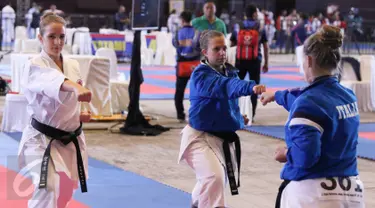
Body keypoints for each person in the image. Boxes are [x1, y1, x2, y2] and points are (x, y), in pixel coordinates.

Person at [260, 25, 365, 208]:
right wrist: (276, 95)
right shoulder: (348, 96)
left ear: (308, 61)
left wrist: (286, 154)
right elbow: (308, 101)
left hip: (314, 193)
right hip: (352, 193)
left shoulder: (308, 103)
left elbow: (306, 156)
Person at [178, 30, 266, 208]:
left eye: (224, 48)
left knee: (211, 184)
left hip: (221, 137)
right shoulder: (200, 76)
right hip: (199, 138)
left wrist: (237, 117)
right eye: (216, 49)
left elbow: (226, 103)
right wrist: (251, 86)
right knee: (214, 177)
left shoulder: (229, 71)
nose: (222, 53)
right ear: (205, 52)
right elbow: (225, 87)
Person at [17, 12, 92, 207]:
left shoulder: (73, 65)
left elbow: (79, 95)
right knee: (47, 187)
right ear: (40, 38)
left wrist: (84, 110)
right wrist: (77, 88)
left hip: (70, 139)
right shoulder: (33, 66)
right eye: (52, 36)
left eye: (61, 37)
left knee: (66, 193)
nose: (57, 42)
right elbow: (53, 80)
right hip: (41, 141)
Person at [230, 4, 269, 122]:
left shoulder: (238, 26)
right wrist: (266, 63)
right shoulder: (260, 27)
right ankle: (251, 115)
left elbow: (232, 44)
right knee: (254, 88)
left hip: (240, 61)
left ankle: (234, 112)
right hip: (255, 61)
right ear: (254, 14)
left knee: (236, 87)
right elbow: (266, 46)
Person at [172, 11, 200, 123]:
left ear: (182, 20)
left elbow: (174, 44)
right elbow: (200, 48)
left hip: (182, 64)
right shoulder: (197, 32)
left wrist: (182, 45)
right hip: (195, 64)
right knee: (198, 91)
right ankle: (197, 114)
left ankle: (180, 115)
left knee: (179, 91)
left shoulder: (178, 31)